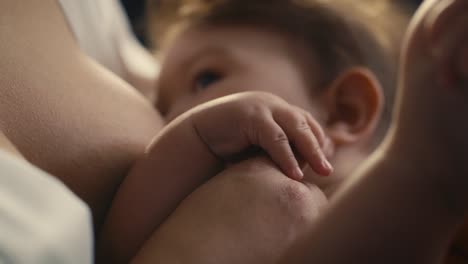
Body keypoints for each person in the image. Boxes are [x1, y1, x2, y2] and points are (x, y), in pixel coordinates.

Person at [97, 0, 412, 262]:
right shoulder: (200, 203)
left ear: (344, 111)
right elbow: (116, 248)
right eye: (162, 108)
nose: (171, 118)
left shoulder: (408, 222)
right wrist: (192, 136)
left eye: (205, 80)